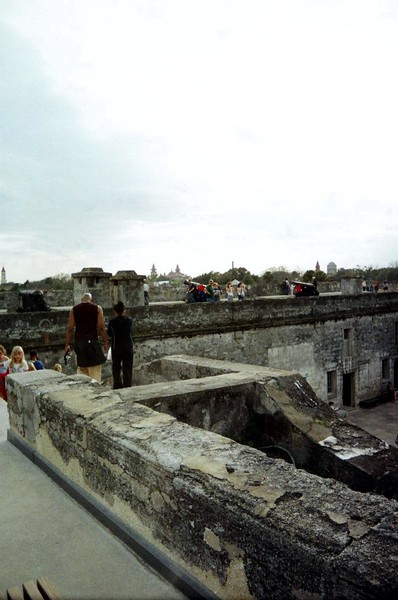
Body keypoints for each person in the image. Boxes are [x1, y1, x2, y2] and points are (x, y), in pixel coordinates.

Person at [65, 292, 108, 383]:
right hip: (92, 342)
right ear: (90, 300)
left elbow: (70, 328)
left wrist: (67, 344)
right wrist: (105, 342)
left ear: (82, 300)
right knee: (95, 374)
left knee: (82, 372)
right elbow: (101, 326)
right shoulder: (97, 309)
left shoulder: (74, 309)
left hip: (79, 343)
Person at [107, 300, 133, 389]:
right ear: (124, 311)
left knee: (116, 367)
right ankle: (127, 385)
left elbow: (109, 333)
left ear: (115, 311)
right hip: (127, 346)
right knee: (127, 368)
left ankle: (117, 385)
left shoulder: (112, 322)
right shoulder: (129, 321)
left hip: (116, 346)